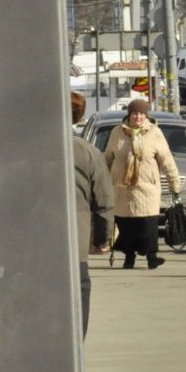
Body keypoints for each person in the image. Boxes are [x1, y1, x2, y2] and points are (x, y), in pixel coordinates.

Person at [104, 98, 179, 270]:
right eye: (135, 113)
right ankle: (129, 257)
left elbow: (166, 160)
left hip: (147, 187)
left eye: (142, 114)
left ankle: (152, 257)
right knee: (126, 224)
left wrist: (174, 184)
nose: (138, 117)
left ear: (147, 116)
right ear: (129, 115)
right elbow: (108, 158)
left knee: (148, 224)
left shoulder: (155, 133)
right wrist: (102, 181)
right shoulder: (117, 132)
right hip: (122, 187)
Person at [70, 92, 115, 335]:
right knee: (79, 287)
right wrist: (101, 238)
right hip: (76, 237)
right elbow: (104, 201)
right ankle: (77, 339)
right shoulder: (88, 152)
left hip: (35, 240)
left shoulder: (32, 149)